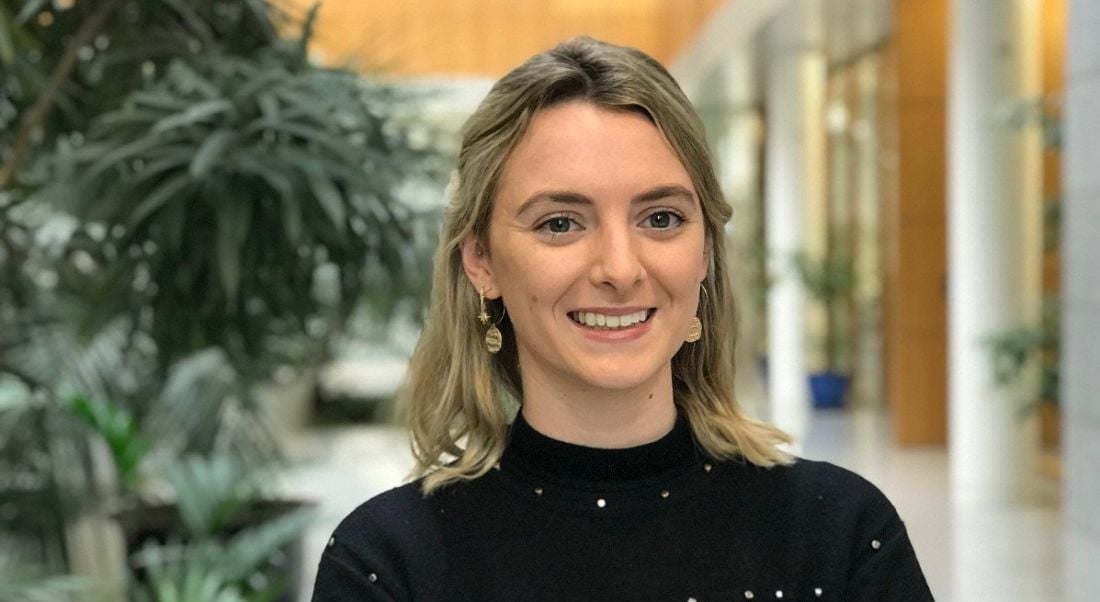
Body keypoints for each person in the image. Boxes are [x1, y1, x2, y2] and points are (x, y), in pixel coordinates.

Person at [312, 36, 932, 601]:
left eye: (660, 218)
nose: (620, 268)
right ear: (481, 262)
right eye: (561, 223)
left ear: (707, 254)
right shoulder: (386, 565)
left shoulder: (840, 535)